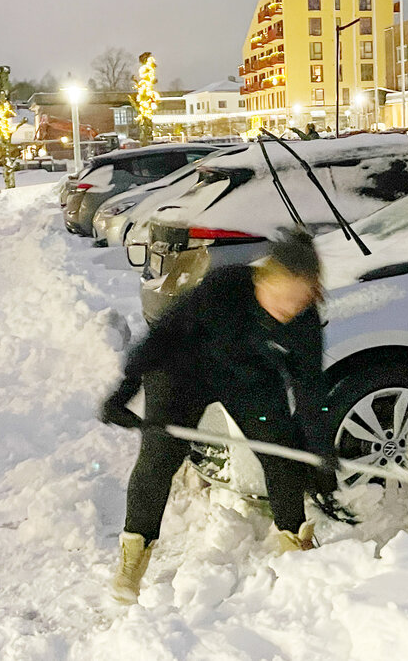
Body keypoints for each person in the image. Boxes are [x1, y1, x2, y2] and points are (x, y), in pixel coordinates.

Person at [99, 229, 330, 604]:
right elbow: (164, 336)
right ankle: (132, 561)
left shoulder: (304, 319)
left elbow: (310, 387)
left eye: (301, 300)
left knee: (283, 454)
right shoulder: (224, 288)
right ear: (264, 278)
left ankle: (294, 543)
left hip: (249, 378)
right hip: (182, 371)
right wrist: (125, 389)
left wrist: (319, 447)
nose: (291, 308)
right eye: (284, 297)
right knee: (159, 458)